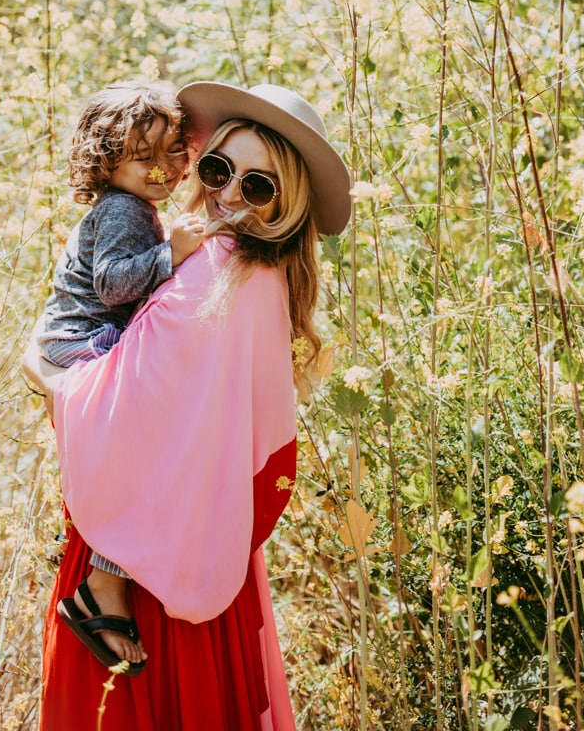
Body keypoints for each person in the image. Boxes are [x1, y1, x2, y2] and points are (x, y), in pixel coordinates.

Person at [29, 82, 351, 731]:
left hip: (144, 557)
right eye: (218, 170)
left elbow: (127, 397)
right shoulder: (251, 270)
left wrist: (50, 377)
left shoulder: (218, 268)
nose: (230, 195)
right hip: (197, 534)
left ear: (284, 204)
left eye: (257, 187)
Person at [37, 81, 205, 671]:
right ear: (108, 163)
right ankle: (103, 583)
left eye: (173, 153)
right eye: (143, 158)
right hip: (80, 346)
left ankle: (109, 577)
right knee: (152, 441)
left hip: (83, 342)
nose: (162, 169)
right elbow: (111, 284)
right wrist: (173, 254)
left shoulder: (137, 205)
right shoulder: (123, 208)